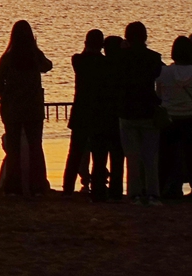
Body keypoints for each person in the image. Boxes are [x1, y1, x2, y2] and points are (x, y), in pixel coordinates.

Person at [0, 20, 53, 195]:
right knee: (35, 147)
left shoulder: (9, 57)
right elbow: (48, 66)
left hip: (13, 108)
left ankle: (13, 185)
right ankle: (37, 185)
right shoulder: (34, 56)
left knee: (14, 149)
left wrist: (5, 94)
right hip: (33, 108)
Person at [157, 36, 192, 204]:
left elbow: (159, 94)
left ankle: (165, 190)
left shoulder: (164, 72)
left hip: (170, 119)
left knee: (167, 157)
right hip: (190, 118)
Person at [114, 21, 165, 205]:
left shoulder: (121, 58)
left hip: (127, 110)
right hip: (148, 109)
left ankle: (134, 193)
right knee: (150, 156)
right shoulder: (153, 57)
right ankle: (153, 194)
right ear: (145, 37)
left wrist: (121, 49)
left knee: (132, 156)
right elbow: (162, 75)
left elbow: (115, 76)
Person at [65, 30, 117, 200]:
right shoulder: (107, 64)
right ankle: (98, 189)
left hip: (81, 112)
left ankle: (67, 188)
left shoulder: (78, 60)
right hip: (100, 113)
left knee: (75, 153)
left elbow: (82, 56)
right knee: (100, 154)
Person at [96, 36, 128, 200]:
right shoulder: (124, 67)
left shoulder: (99, 65)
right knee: (117, 156)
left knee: (99, 156)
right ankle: (116, 191)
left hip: (101, 115)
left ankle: (98, 190)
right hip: (118, 115)